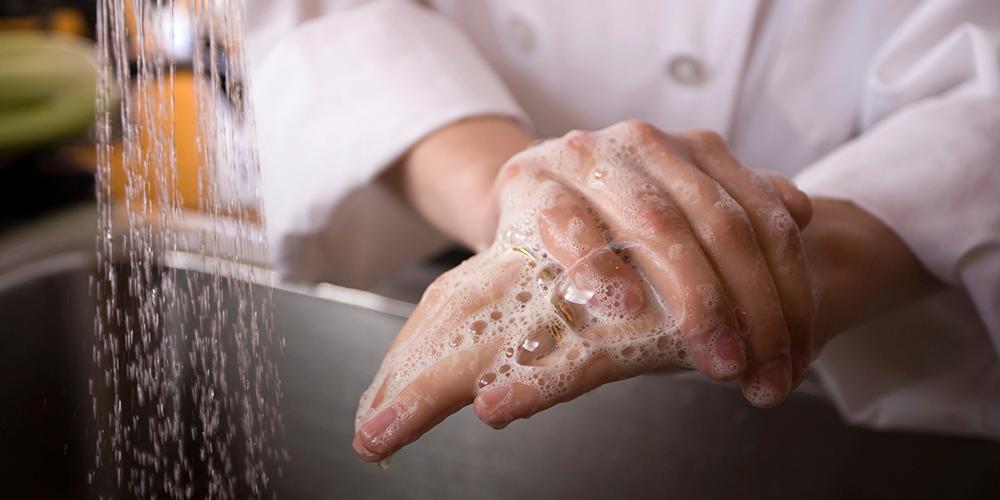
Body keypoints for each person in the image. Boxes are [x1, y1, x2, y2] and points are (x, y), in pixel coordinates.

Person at [245, 0, 1000, 462]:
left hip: (899, 362)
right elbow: (318, 13)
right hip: (458, 260)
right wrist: (518, 196)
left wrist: (784, 256)